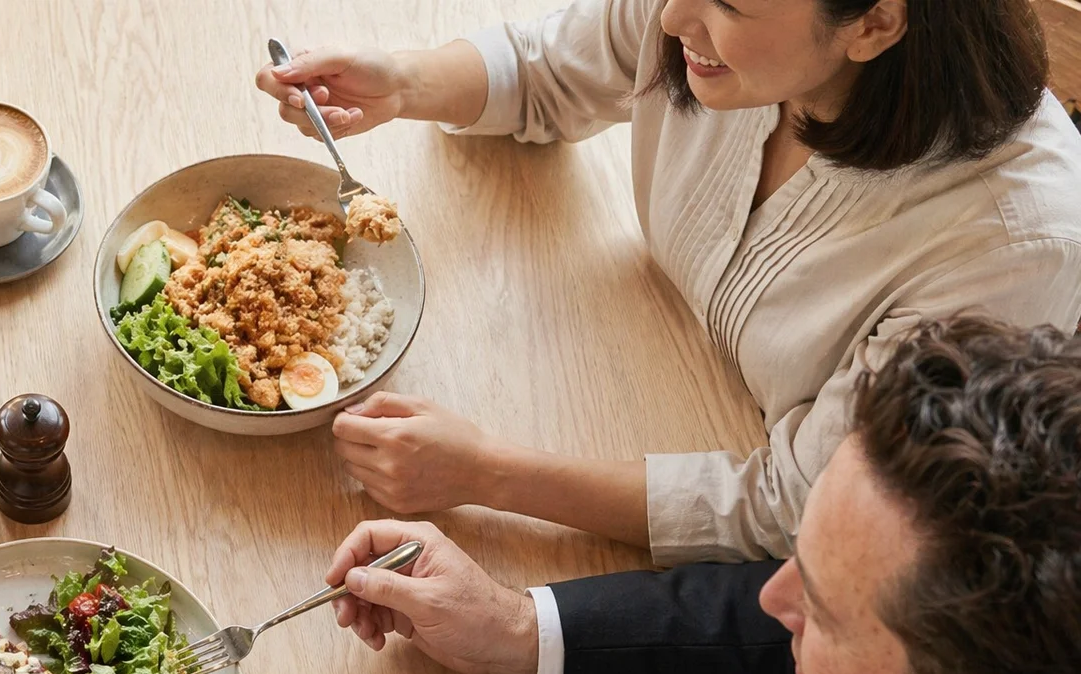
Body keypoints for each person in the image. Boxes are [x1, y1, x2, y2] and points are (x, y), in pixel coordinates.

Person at [256, 0, 1081, 566]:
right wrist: (402, 82)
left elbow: (799, 508)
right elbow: (551, 67)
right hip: (645, 376)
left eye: (726, 2)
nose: (670, 17)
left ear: (874, 23)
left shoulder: (1014, 248)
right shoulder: (714, 27)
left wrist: (487, 474)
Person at [282, 317, 1081, 674]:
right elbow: (746, 630)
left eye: (828, 613)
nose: (773, 596)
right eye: (801, 557)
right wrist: (516, 629)